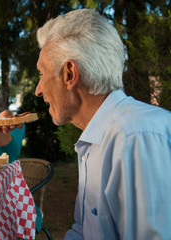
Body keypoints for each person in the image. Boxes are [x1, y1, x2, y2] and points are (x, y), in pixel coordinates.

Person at [35, 8, 171, 240]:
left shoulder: (134, 138)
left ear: (69, 74)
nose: (38, 90)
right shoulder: (95, 140)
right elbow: (83, 232)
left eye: (41, 74)